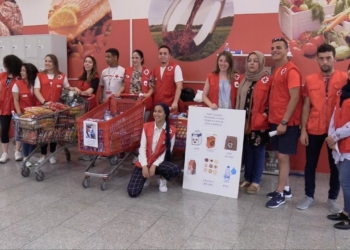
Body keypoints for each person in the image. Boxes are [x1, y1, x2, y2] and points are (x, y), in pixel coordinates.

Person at [297, 44, 347, 212]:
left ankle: (332, 199)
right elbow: (305, 106)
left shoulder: (344, 79)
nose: (324, 61)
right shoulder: (310, 79)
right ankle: (309, 196)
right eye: (321, 58)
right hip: (313, 129)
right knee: (310, 164)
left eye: (328, 58)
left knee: (335, 167)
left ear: (335, 58)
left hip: (336, 132)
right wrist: (303, 129)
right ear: (317, 59)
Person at [266, 37, 302, 209]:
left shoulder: (291, 70)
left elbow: (295, 97)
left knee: (282, 157)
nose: (274, 50)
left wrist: (284, 121)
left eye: (278, 47)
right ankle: (286, 188)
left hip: (286, 123)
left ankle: (279, 193)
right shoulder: (277, 70)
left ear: (286, 49)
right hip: (276, 120)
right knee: (281, 157)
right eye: (272, 48)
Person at [34, 54, 81, 165]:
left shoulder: (61, 76)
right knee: (44, 132)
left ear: (54, 63)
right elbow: (36, 91)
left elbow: (67, 87)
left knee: (55, 132)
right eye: (46, 61)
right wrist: (45, 102)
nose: (47, 63)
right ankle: (43, 155)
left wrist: (74, 88)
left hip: (57, 109)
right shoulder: (40, 75)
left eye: (50, 61)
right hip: (44, 109)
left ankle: (52, 154)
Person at [236, 51, 272, 194]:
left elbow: (272, 100)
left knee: (258, 152)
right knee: (248, 151)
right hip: (244, 122)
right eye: (249, 60)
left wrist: (265, 114)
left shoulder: (267, 80)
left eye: (255, 61)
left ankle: (256, 181)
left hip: (259, 123)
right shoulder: (244, 79)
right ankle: (247, 178)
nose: (251, 63)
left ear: (261, 63)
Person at [127, 103, 181, 197]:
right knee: (132, 192)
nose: (156, 114)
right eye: (155, 111)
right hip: (145, 161)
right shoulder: (146, 126)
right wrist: (144, 166)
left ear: (166, 114)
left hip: (159, 162)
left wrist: (154, 165)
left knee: (175, 169)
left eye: (159, 111)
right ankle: (146, 177)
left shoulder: (172, 130)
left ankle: (162, 178)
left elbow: (167, 152)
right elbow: (142, 148)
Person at [325, 68, 350, 230]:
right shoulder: (344, 91)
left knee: (345, 181)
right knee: (345, 180)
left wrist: (335, 136)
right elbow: (335, 114)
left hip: (347, 144)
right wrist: (331, 135)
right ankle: (346, 212)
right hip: (339, 143)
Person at [116, 49, 154, 121]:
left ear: (141, 59)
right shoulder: (127, 70)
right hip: (129, 104)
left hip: (143, 104)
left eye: (136, 58)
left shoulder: (148, 72)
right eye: (133, 58)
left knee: (142, 124)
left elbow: (151, 87)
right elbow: (124, 85)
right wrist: (119, 92)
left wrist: (148, 95)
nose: (134, 60)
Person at [12, 63, 39, 166]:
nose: (21, 72)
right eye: (21, 70)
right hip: (23, 115)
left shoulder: (35, 83)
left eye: (23, 70)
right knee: (25, 136)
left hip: (35, 114)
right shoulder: (17, 84)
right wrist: (19, 114)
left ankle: (30, 156)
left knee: (33, 136)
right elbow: (16, 100)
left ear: (29, 72)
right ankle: (26, 157)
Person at [0, 55, 22, 163]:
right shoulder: (2, 76)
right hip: (3, 107)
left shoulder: (19, 77)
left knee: (18, 129)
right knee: (4, 129)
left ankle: (17, 151)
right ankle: (5, 153)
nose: (4, 66)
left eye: (6, 64)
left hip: (16, 107)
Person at [153, 45, 183, 111]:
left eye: (165, 53)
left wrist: (175, 102)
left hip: (170, 105)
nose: (162, 55)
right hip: (158, 106)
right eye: (160, 54)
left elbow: (179, 86)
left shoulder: (176, 67)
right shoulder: (155, 69)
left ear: (169, 55)